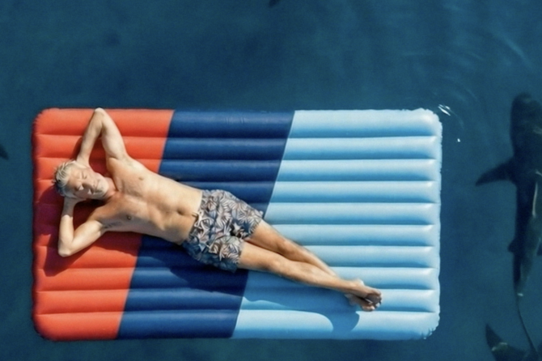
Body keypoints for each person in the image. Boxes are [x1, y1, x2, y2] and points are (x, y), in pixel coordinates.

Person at [53, 108, 382, 311]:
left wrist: (80, 158)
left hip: (215, 205)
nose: (86, 184)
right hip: (202, 241)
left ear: (88, 169)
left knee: (286, 246)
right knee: (277, 265)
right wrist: (69, 203)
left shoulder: (119, 163)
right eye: (78, 189)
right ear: (79, 198)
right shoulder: (103, 218)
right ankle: (349, 287)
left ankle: (346, 286)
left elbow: (100, 116)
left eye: (83, 177)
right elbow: (67, 248)